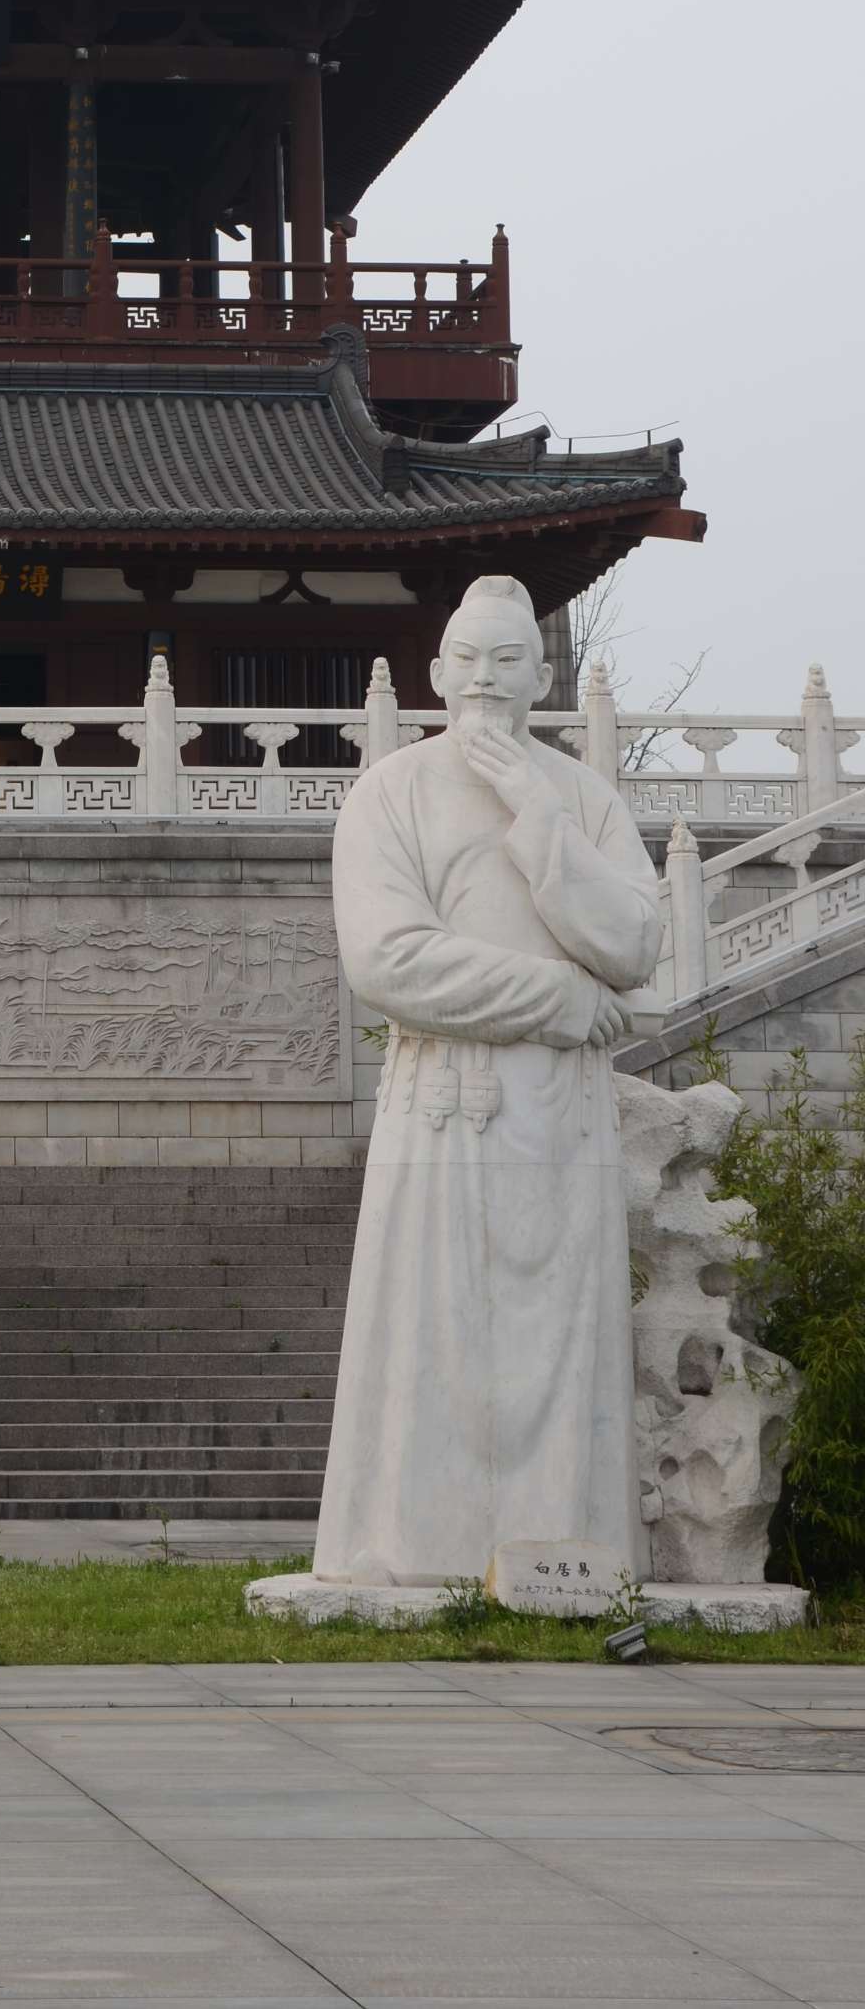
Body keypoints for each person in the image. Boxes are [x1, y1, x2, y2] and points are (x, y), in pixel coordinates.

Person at [314, 573, 660, 1584]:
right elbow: (387, 961)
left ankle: (564, 1557)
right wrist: (554, 996)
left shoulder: (584, 798)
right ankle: (418, 1555)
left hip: (561, 1122)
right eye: (464, 658)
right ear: (433, 671)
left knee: (561, 1351)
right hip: (446, 1114)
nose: (482, 678)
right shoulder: (387, 793)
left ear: (541, 675)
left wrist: (529, 806)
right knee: (438, 1346)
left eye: (506, 659)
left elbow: (634, 940)